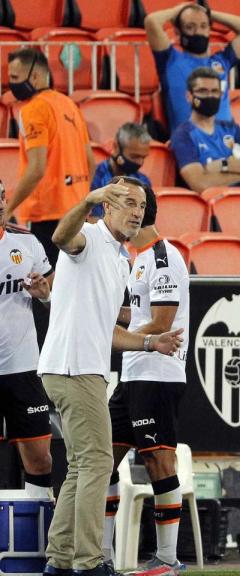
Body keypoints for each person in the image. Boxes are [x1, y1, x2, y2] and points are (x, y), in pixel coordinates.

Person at [38, 176, 183, 576]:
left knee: (84, 466)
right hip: (74, 367)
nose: (137, 211)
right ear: (108, 205)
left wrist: (152, 345)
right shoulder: (87, 236)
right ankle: (89, 562)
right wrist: (88, 198)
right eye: (128, 202)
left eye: (141, 204)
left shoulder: (121, 259)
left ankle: (60, 559)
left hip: (83, 368)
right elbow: (60, 235)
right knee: (99, 462)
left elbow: (109, 331)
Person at [98, 184, 190, 576]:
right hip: (133, 374)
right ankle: (100, 554)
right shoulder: (137, 259)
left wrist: (115, 337)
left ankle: (168, 559)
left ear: (141, 212)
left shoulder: (164, 257)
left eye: (129, 207)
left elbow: (162, 324)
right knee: (104, 460)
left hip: (157, 374)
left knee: (158, 460)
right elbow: (136, 316)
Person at [4, 48, 95, 265]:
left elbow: (36, 168)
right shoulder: (69, 104)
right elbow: (90, 163)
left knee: (48, 288)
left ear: (34, 76)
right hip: (77, 212)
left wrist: (7, 210)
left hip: (48, 215)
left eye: (15, 78)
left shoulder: (32, 110)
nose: (11, 84)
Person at [0, 181, 55, 500]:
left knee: (40, 458)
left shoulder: (28, 243)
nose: (0, 204)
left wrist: (44, 295)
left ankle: (40, 542)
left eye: (2, 196)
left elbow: (51, 297)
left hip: (23, 368)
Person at [146, 1, 240, 133]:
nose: (198, 32)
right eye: (190, 27)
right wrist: (180, 10)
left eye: (203, 26)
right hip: (190, 142)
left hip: (226, 141)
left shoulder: (222, 61)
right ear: (178, 32)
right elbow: (151, 21)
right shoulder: (169, 59)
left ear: (209, 29)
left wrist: (208, 13)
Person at [169, 67, 240, 193]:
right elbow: (200, 184)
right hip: (217, 204)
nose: (210, 96)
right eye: (203, 91)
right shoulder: (183, 135)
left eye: (215, 91)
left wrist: (224, 166)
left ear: (221, 95)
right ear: (189, 96)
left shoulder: (230, 128)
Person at [90, 123, 153, 221]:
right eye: (135, 156)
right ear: (116, 147)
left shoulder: (143, 181)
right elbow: (94, 222)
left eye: (143, 157)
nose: (140, 162)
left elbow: (146, 224)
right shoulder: (95, 178)